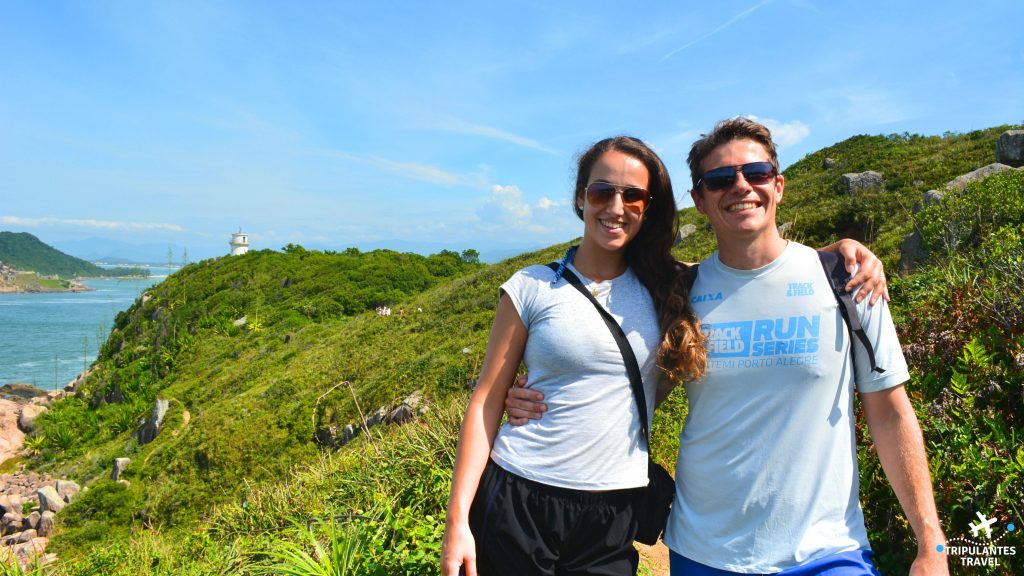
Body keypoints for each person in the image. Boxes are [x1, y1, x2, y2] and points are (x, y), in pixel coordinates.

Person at [510, 118, 947, 575]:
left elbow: (891, 412)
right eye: (719, 180)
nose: (740, 187)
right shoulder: (678, 292)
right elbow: (621, 386)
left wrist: (930, 540)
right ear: (699, 200)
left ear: (778, 186)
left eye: (755, 173)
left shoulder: (847, 280)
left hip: (827, 551)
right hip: (702, 551)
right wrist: (528, 396)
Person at [441, 136, 708, 576]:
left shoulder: (672, 286)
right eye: (602, 192)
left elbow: (755, 269)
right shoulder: (531, 286)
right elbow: (487, 402)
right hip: (518, 496)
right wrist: (457, 524)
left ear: (648, 205)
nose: (616, 207)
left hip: (613, 510)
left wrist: (837, 256)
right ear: (580, 198)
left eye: (633, 195)